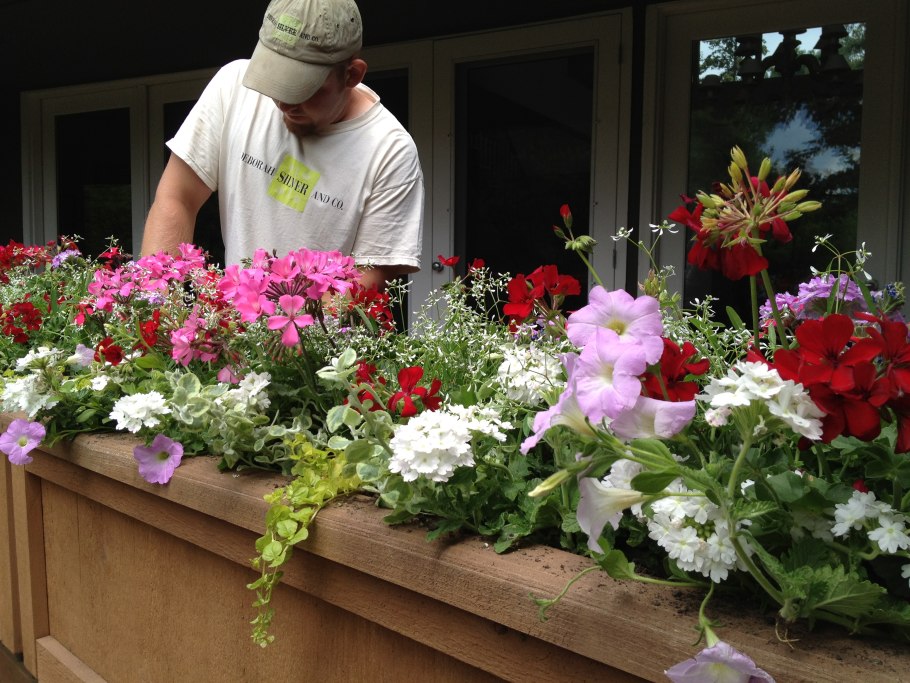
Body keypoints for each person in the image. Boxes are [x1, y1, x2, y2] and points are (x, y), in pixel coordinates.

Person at [140, 0, 423, 290]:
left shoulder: (390, 150)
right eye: (275, 80)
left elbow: (369, 275)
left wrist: (278, 327)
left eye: (303, 87)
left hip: (319, 333)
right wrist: (156, 306)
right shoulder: (232, 86)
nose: (284, 103)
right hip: (234, 329)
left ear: (351, 75)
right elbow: (177, 198)